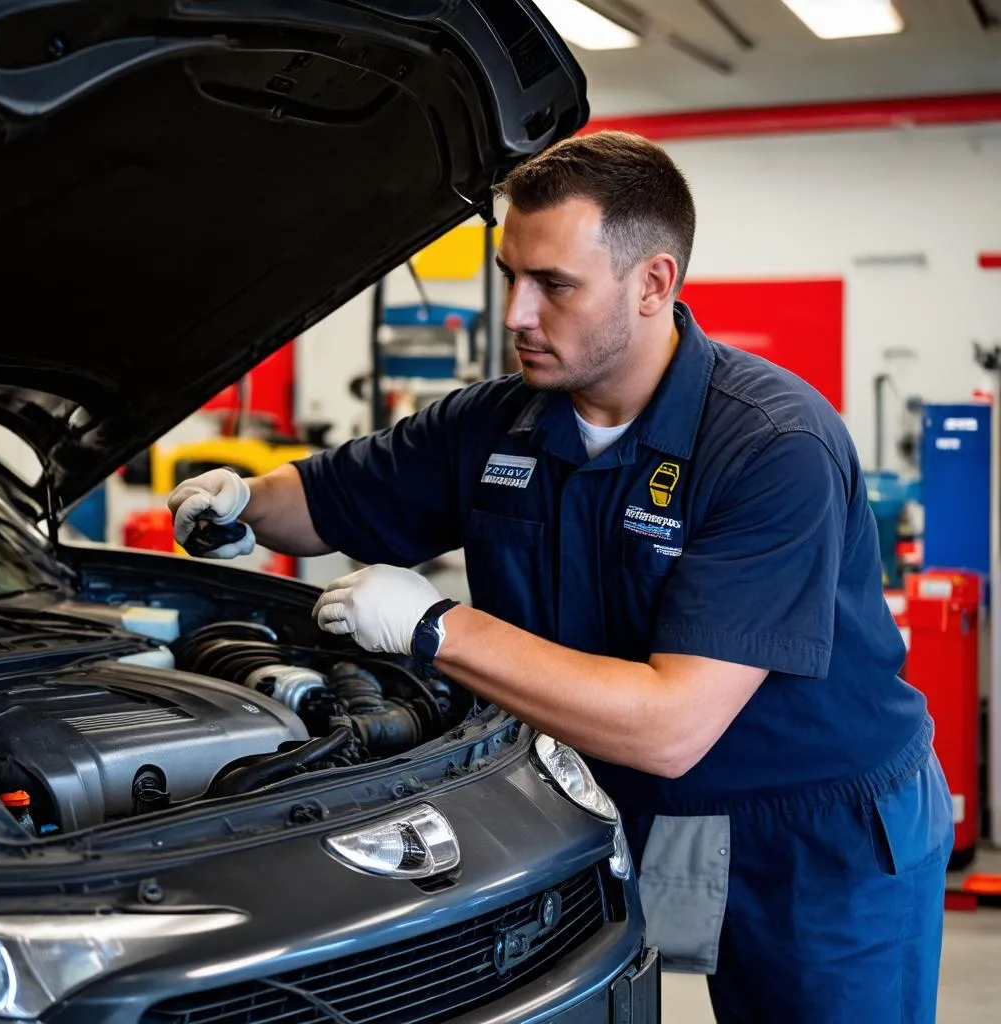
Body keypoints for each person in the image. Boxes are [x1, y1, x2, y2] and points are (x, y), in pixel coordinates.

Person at [168, 130, 953, 1023]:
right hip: (647, 812)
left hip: (814, 836)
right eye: (510, 274)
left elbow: (669, 726)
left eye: (555, 285)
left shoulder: (771, 446)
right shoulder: (497, 423)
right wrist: (242, 498)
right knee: (622, 1000)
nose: (516, 313)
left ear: (654, 283)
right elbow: (321, 498)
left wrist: (438, 629)